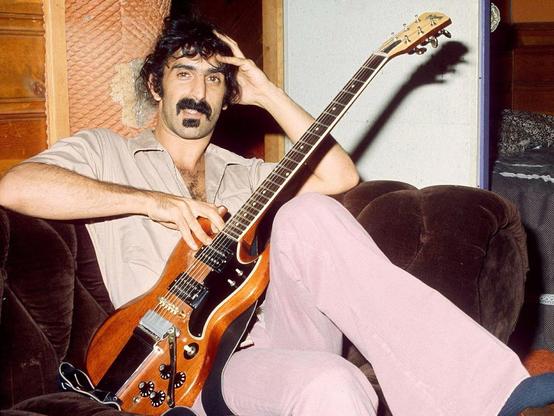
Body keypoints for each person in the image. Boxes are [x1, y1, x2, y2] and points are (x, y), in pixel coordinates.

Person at [0, 16, 551, 416]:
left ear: (227, 96)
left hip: (262, 338)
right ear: (155, 85)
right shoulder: (106, 153)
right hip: (169, 364)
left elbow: (339, 177)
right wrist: (155, 201)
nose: (198, 91)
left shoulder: (246, 175)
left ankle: (485, 390)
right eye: (183, 73)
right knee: (334, 385)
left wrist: (266, 92)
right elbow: (16, 185)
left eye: (214, 78)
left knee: (309, 211)